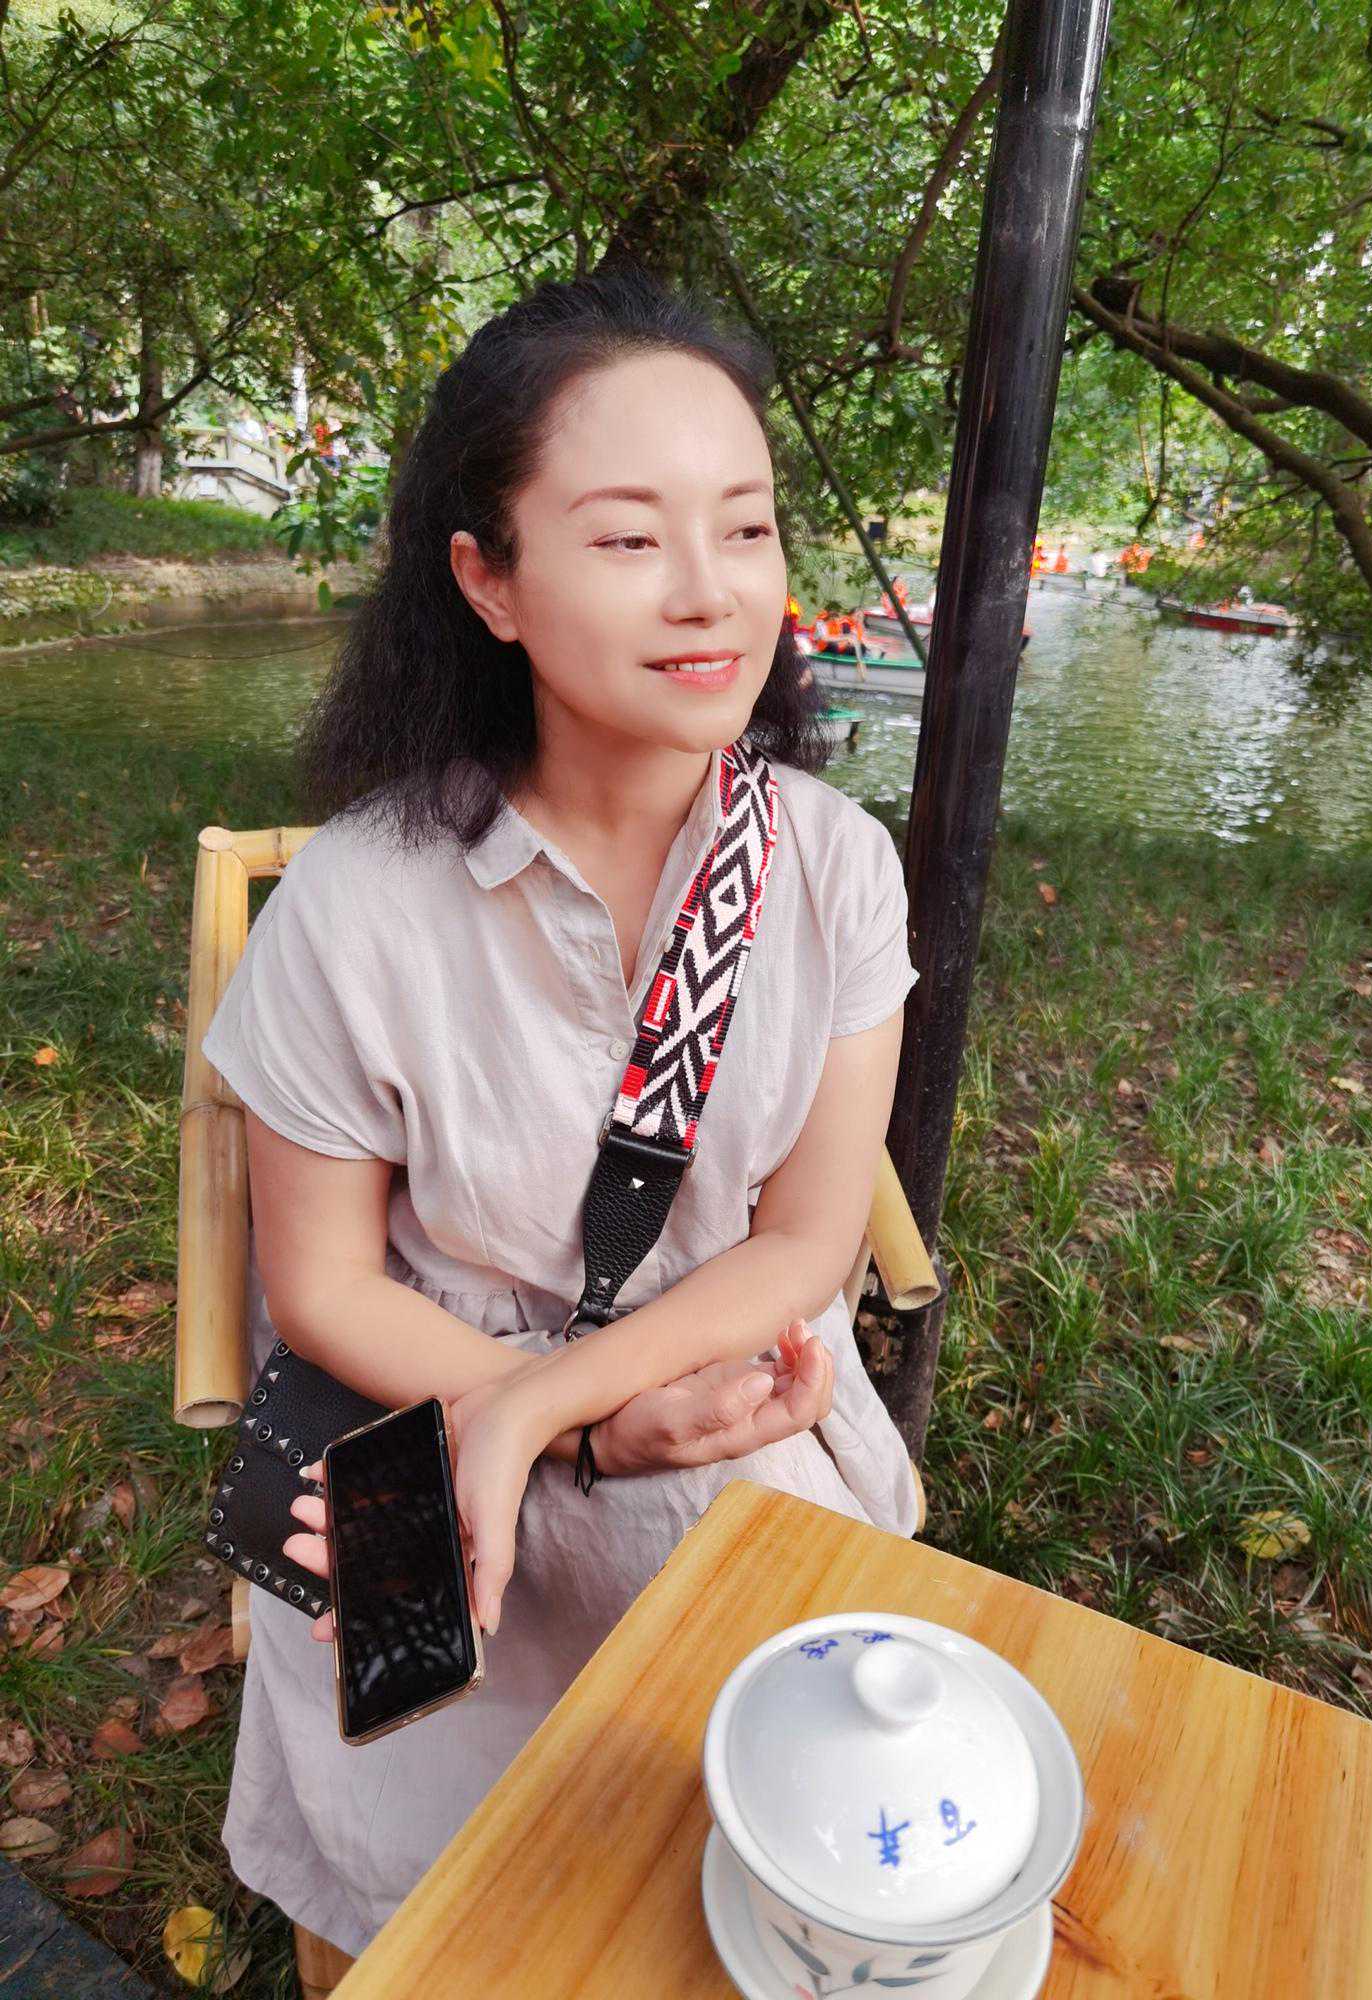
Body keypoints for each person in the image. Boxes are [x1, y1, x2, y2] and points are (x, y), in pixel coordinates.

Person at [199, 263, 921, 1958]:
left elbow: (810, 1240)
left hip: (729, 1417)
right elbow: (324, 1286)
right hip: (418, 1414)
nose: (710, 591)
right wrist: (556, 1428)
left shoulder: (832, 870)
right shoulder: (358, 903)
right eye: (629, 537)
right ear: (489, 580)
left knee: (776, 1874)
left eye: (747, 528)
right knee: (420, 1910)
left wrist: (561, 1413)